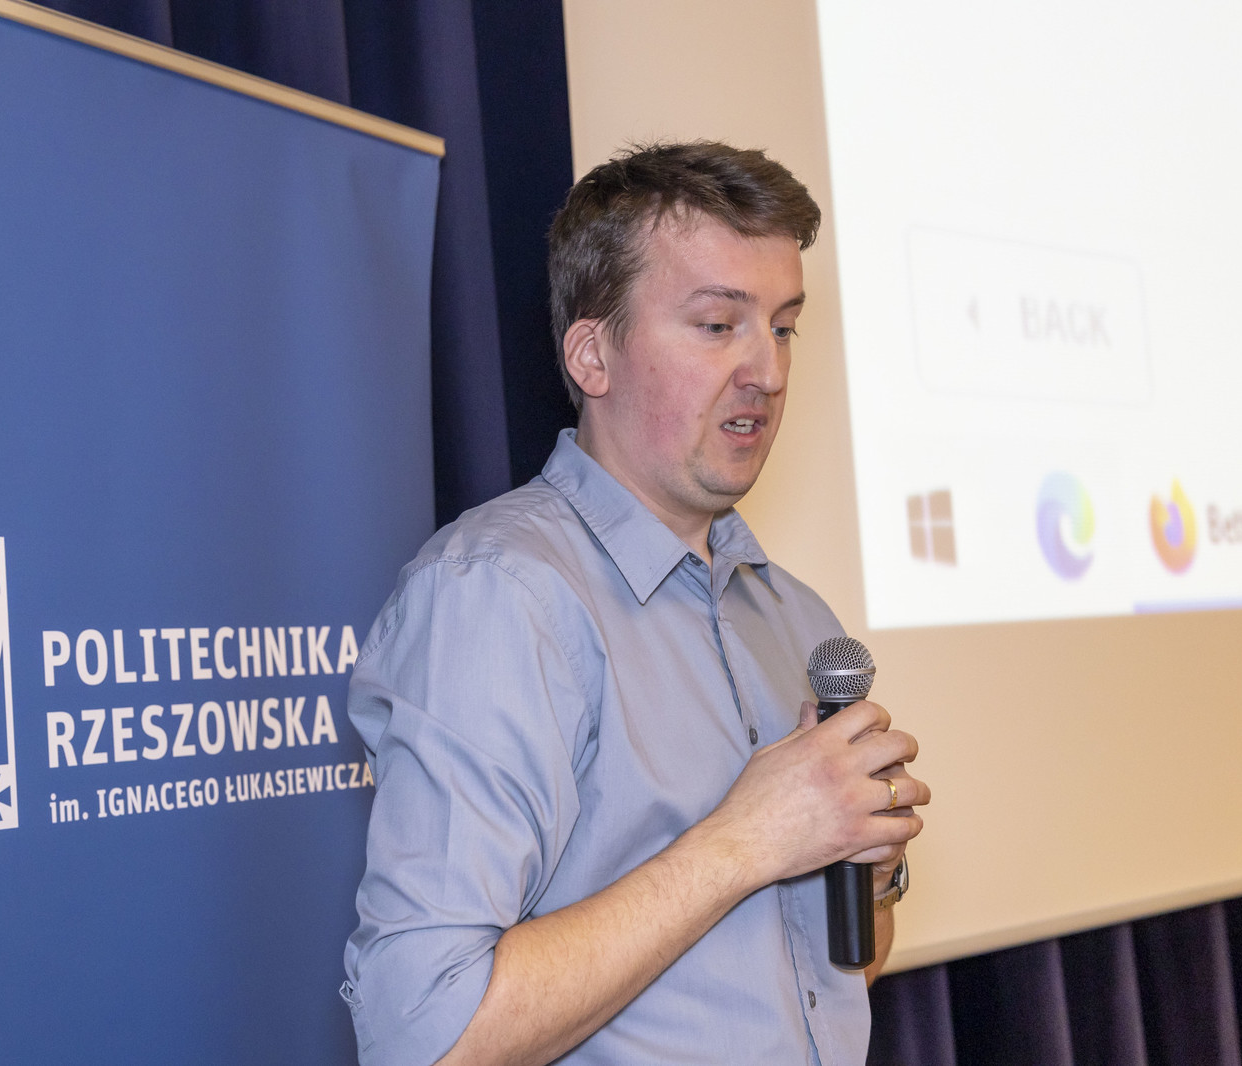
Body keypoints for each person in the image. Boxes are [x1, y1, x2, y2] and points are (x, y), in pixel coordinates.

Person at [340, 141, 928, 1066]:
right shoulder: (499, 596)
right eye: (717, 324)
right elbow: (427, 1034)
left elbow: (837, 977)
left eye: (783, 328)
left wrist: (869, 875)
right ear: (592, 355)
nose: (768, 372)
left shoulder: (797, 618)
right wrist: (744, 842)